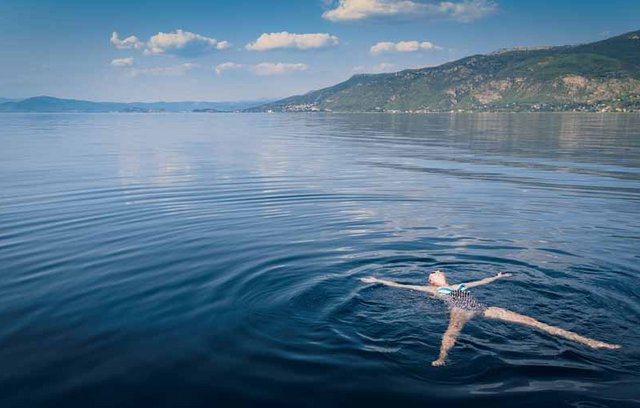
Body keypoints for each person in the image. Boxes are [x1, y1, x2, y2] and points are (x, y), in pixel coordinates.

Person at [360, 270, 621, 367]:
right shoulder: (433, 290)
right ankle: (442, 357)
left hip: (484, 307)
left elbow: (481, 281)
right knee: (451, 333)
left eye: (438, 270)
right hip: (460, 310)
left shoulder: (460, 284)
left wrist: (496, 278)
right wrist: (377, 280)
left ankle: (590, 342)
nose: (438, 271)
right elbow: (401, 287)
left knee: (535, 323)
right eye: (434, 272)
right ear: (432, 281)